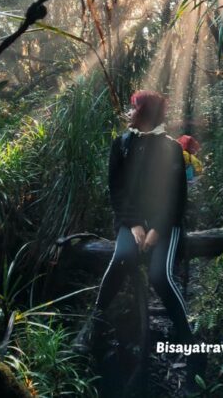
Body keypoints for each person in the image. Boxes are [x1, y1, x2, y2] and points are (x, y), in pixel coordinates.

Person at [76, 91, 197, 362]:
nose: (129, 113)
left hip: (167, 223)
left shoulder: (171, 147)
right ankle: (93, 324)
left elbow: (176, 197)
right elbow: (116, 191)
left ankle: (191, 346)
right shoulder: (121, 145)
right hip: (131, 222)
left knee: (160, 276)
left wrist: (156, 228)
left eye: (134, 108)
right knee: (122, 258)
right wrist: (132, 224)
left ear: (145, 113)